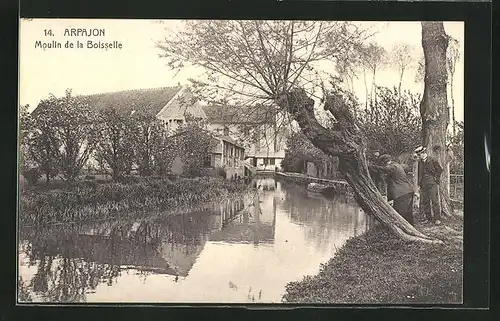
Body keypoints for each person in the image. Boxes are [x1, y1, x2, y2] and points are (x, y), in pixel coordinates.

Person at [369, 154, 415, 225]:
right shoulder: (397, 165)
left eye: (383, 164)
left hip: (402, 193)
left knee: (399, 213)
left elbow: (384, 169)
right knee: (408, 213)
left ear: (385, 162)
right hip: (408, 191)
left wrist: (371, 167)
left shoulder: (393, 166)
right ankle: (411, 228)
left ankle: (402, 229)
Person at [414, 146, 444, 225]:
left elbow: (440, 170)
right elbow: (419, 173)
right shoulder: (420, 162)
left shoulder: (433, 159)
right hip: (423, 184)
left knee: (434, 201)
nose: (419, 156)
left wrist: (436, 179)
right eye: (418, 155)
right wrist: (419, 184)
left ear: (423, 153)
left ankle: (437, 219)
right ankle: (428, 218)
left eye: (419, 155)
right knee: (425, 201)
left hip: (432, 183)